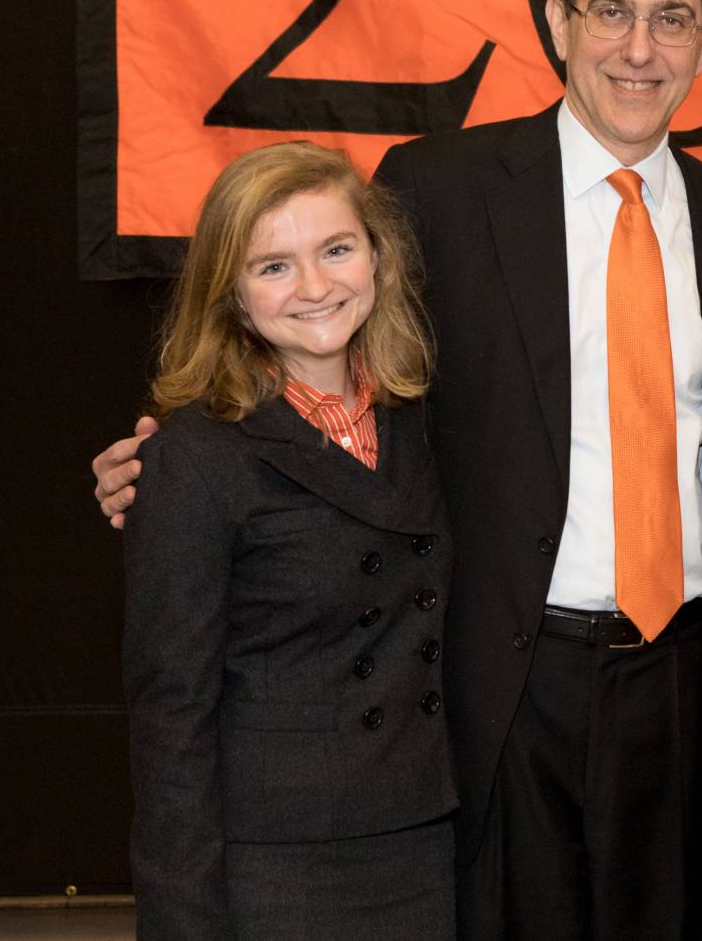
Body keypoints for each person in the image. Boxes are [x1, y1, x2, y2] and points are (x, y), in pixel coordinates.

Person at [98, 0, 702, 941]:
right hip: (503, 684)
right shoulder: (439, 189)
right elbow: (319, 329)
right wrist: (180, 450)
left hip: (679, 683)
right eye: (611, 12)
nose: (639, 49)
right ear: (558, 22)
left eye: (672, 18)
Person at [122, 142, 454, 940]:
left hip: (423, 845)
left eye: (336, 249)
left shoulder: (423, 424)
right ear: (230, 294)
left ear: (377, 260)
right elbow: (173, 715)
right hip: (275, 867)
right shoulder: (195, 457)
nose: (314, 286)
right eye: (273, 265)